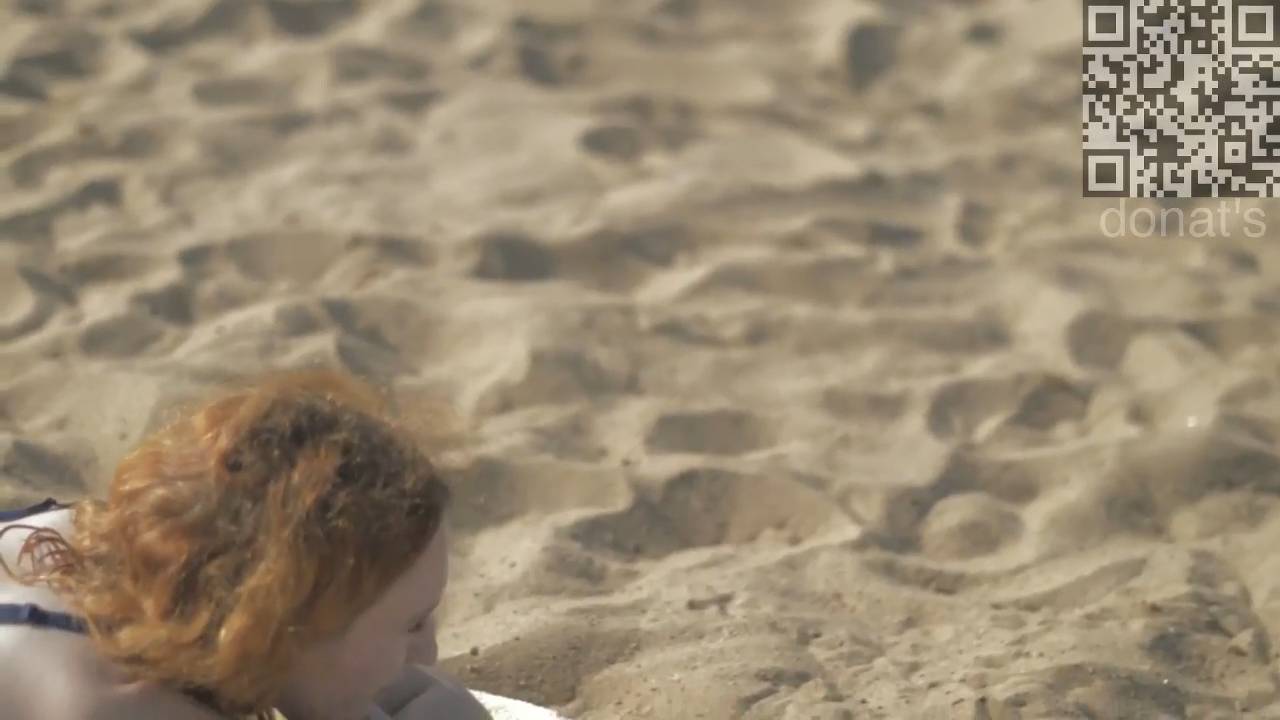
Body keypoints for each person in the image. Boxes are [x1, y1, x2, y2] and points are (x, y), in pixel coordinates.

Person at [0, 369, 491, 720]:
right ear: (286, 625)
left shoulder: (103, 542)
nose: (428, 652)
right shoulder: (118, 707)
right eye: (412, 624)